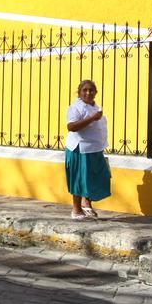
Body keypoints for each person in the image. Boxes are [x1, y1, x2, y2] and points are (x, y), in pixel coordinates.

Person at [65, 79, 110, 220]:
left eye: (91, 90)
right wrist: (91, 119)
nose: (88, 92)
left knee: (94, 177)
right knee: (78, 178)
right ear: (79, 93)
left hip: (95, 148)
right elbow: (71, 127)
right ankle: (76, 209)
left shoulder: (96, 107)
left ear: (96, 92)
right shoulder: (75, 108)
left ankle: (86, 203)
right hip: (80, 148)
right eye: (84, 90)